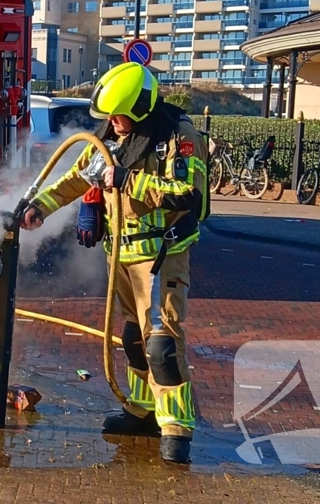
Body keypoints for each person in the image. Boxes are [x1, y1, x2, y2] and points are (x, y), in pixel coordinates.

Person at [20, 62, 209, 464]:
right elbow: (77, 176)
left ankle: (176, 427)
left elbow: (186, 193)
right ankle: (142, 412)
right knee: (134, 341)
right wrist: (41, 207)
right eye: (109, 117)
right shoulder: (111, 136)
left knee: (163, 346)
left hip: (160, 257)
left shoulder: (176, 135)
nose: (114, 123)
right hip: (121, 255)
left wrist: (127, 179)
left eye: (119, 116)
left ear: (141, 107)